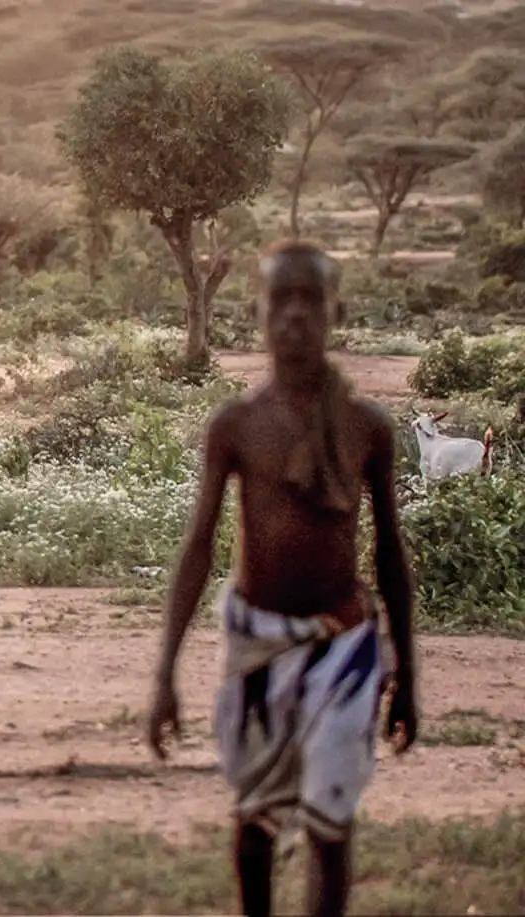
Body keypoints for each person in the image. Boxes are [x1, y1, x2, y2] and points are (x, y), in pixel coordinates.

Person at [146, 240, 418, 917]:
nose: (295, 315)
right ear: (259, 312)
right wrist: (163, 674)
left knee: (332, 822)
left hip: (345, 646)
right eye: (282, 300)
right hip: (256, 644)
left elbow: (389, 553)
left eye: (310, 300)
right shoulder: (235, 426)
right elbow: (199, 547)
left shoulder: (367, 427)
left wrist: (408, 674)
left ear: (335, 312)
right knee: (255, 817)